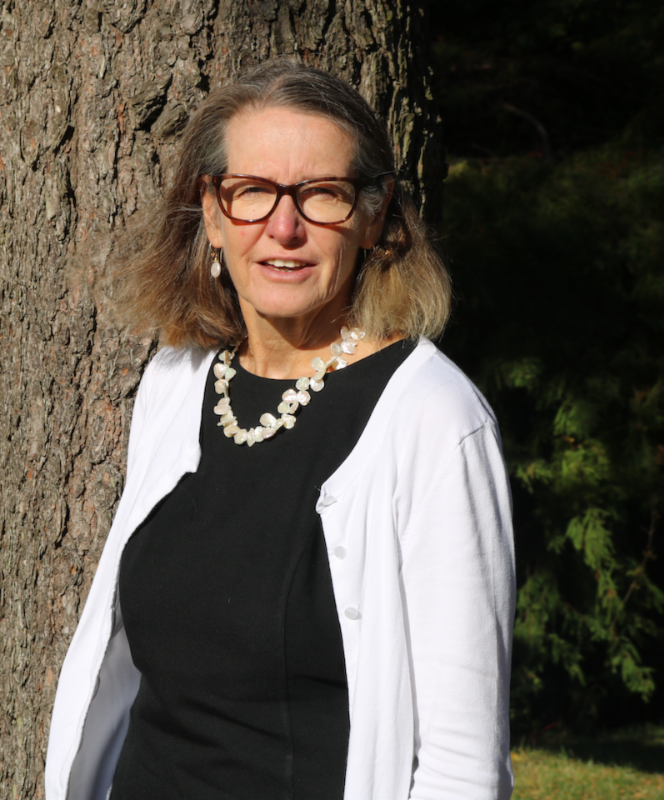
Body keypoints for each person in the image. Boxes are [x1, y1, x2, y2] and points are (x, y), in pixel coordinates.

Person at [45, 61, 516, 800]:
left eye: (321, 194)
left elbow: (463, 764)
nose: (284, 227)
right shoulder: (176, 383)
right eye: (253, 193)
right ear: (211, 211)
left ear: (373, 215)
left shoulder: (432, 420)